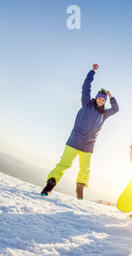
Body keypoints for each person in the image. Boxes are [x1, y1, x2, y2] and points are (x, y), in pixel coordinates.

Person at [40, 64, 119, 199]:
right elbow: (85, 87)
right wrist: (92, 72)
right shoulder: (87, 103)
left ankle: (80, 189)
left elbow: (116, 109)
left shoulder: (104, 113)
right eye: (100, 98)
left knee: (85, 170)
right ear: (96, 98)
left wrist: (111, 97)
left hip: (89, 145)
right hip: (74, 141)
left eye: (103, 99)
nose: (101, 100)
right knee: (64, 164)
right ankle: (49, 185)